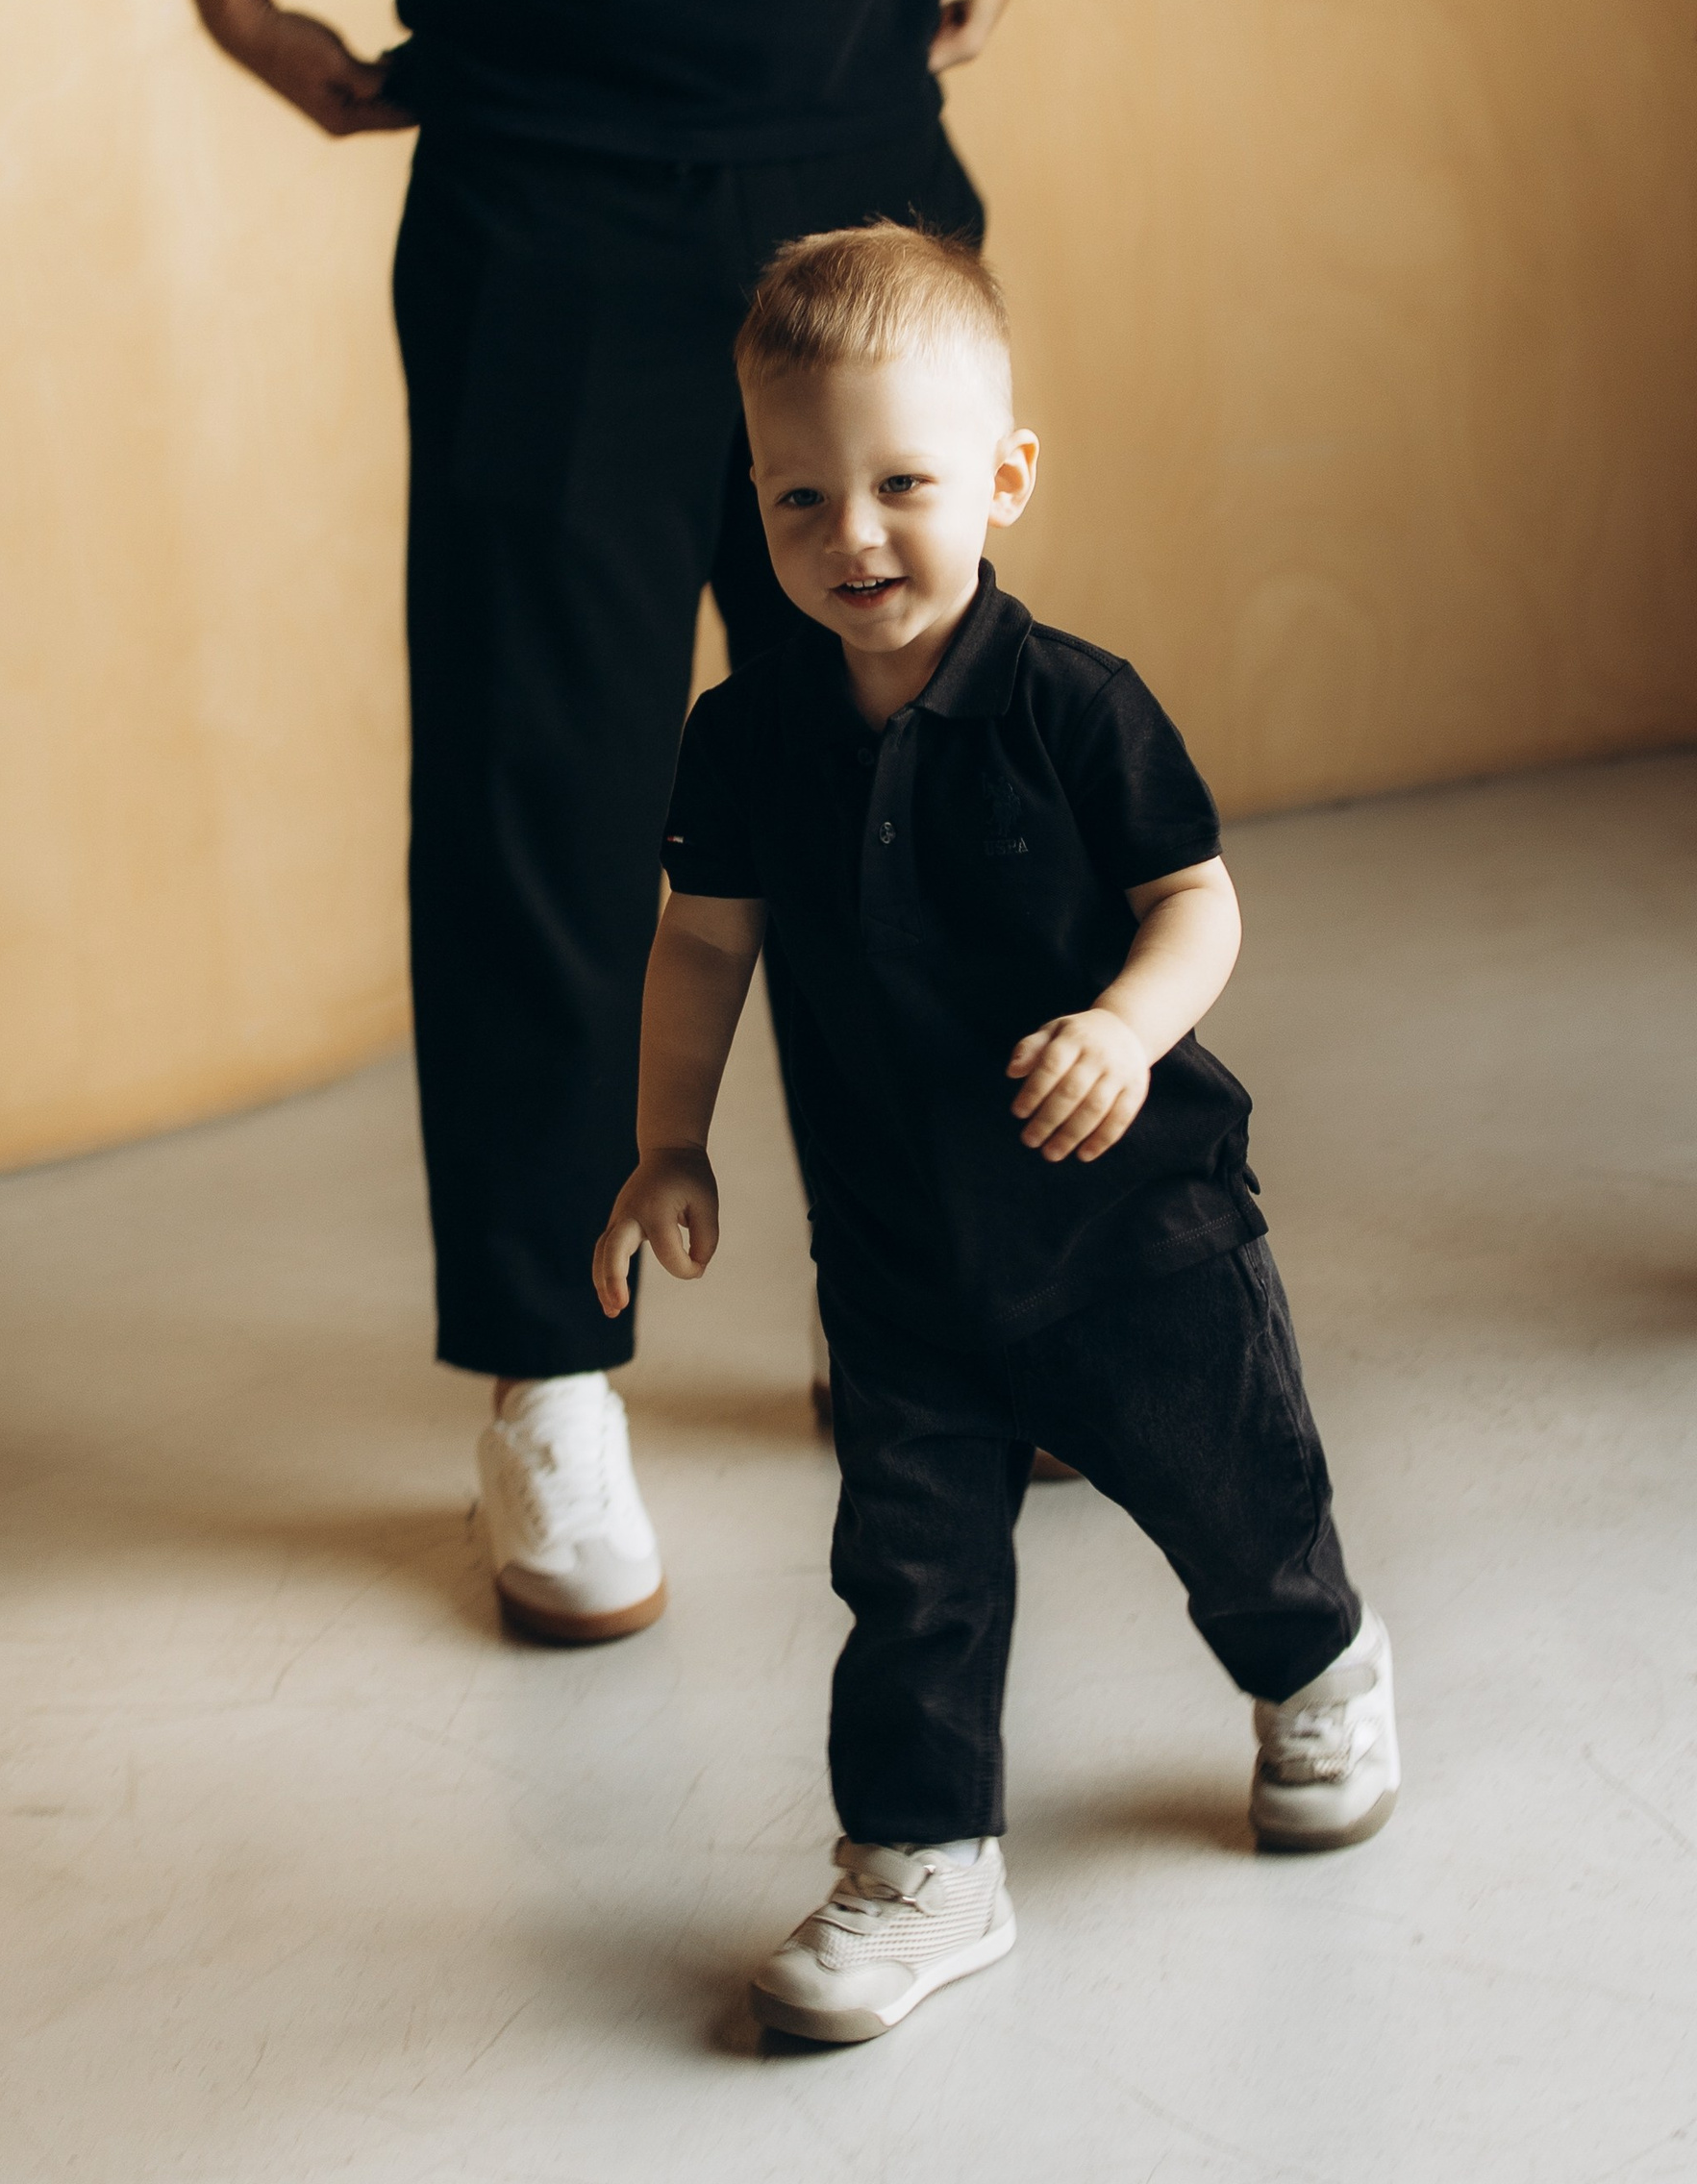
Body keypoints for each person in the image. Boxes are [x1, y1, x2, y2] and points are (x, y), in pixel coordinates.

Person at [105, 0, 1138, 1644]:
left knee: (909, 785)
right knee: (539, 808)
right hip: (543, 200)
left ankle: (914, 1297)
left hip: (851, 171)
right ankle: (548, 1375)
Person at [594, 224, 1398, 2043]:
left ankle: (1322, 1669)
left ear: (1005, 479)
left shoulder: (1074, 705)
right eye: (801, 497)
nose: (854, 535)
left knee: (1234, 1498)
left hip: (1137, 1227)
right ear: (755, 497)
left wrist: (1125, 1026)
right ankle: (921, 1859)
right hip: (899, 1252)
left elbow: (1197, 903)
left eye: (905, 484)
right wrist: (670, 1142)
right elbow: (703, 945)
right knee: (911, 1570)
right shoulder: (747, 736)